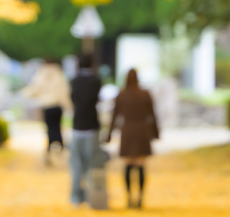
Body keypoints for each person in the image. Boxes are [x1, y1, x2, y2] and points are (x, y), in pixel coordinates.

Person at [107, 68, 159, 208]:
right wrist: (156, 133)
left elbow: (115, 116)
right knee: (141, 164)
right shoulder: (145, 94)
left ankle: (129, 196)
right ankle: (140, 197)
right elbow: (152, 115)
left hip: (128, 131)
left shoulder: (122, 95)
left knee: (128, 164)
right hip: (142, 131)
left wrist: (109, 134)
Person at [21, 58, 72, 163]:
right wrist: (68, 105)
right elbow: (64, 90)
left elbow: (35, 89)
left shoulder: (41, 74)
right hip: (57, 105)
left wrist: (25, 93)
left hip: (47, 105)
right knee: (57, 126)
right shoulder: (59, 74)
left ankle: (50, 146)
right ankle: (59, 145)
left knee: (49, 127)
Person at [69, 55, 102, 205]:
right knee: (91, 163)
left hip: (77, 125)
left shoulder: (74, 81)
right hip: (91, 125)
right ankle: (91, 196)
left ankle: (76, 196)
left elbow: (73, 99)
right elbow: (96, 100)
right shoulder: (96, 81)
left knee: (76, 163)